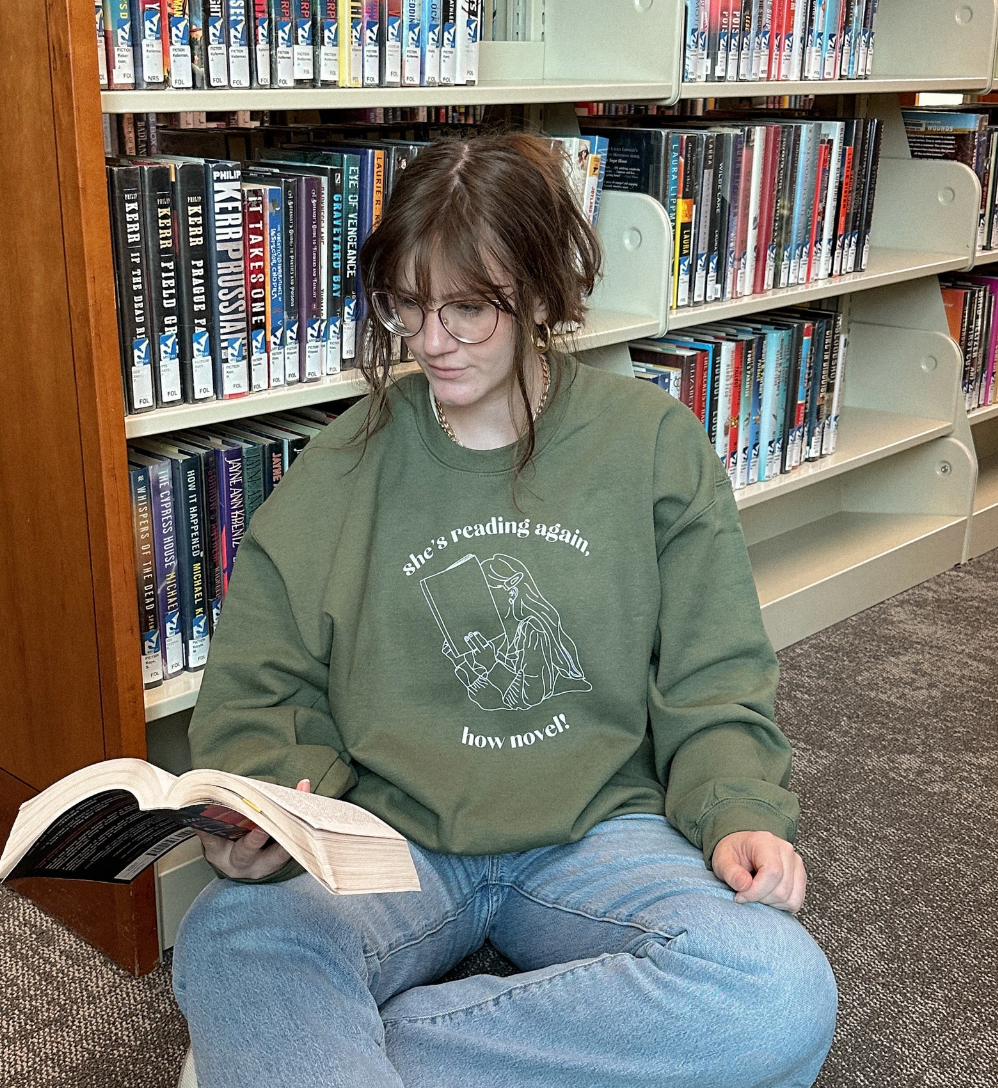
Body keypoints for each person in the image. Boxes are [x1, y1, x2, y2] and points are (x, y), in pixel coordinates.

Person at [172, 132, 837, 1088]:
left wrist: (737, 808)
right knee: (232, 938)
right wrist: (265, 810)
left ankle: (334, 1053)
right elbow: (257, 689)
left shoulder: (651, 442)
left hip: (598, 831)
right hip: (390, 839)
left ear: (542, 292)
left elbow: (716, 672)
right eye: (406, 305)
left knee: (776, 988)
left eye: (468, 308)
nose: (430, 340)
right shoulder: (342, 466)